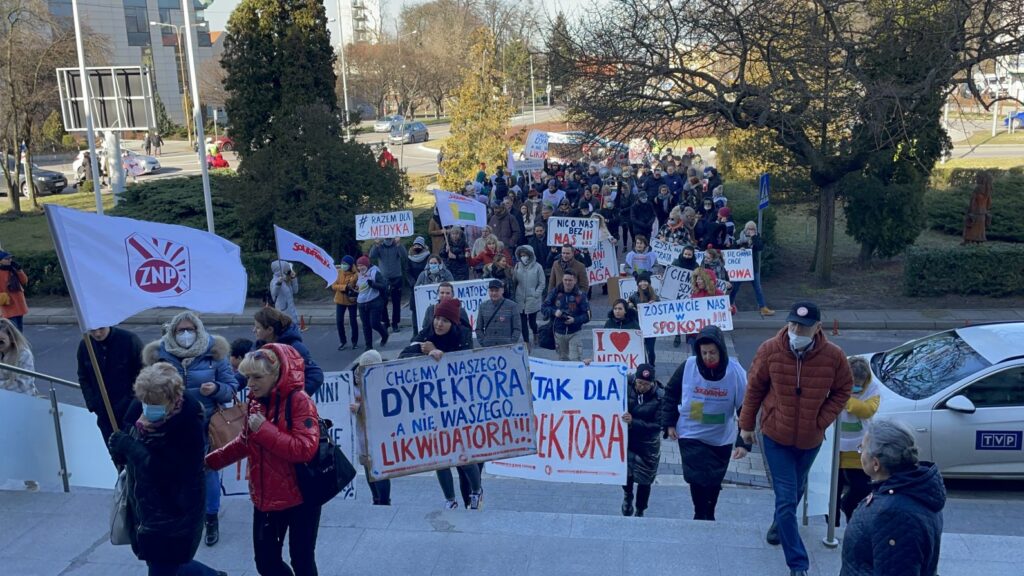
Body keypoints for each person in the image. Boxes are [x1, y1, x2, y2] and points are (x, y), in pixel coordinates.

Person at [739, 301, 853, 576]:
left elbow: (844, 389)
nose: (795, 330)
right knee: (786, 496)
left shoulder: (834, 356)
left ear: (817, 328)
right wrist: (746, 427)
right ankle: (798, 564)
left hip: (810, 439)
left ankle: (780, 523)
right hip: (776, 435)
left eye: (802, 326)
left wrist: (821, 419)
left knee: (796, 488)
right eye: (792, 324)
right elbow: (754, 389)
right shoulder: (769, 350)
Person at [206, 345, 322, 576]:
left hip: (302, 496)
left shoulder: (300, 400)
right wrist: (209, 462)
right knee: (265, 563)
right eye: (247, 376)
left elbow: (304, 449)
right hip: (266, 497)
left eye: (257, 377)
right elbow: (245, 442)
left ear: (277, 374)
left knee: (302, 560)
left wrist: (265, 430)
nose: (250, 384)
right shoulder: (256, 402)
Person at [107, 363, 227, 576]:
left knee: (164, 564)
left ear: (174, 399)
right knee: (166, 564)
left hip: (175, 514)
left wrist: (130, 447)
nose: (148, 408)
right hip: (144, 508)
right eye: (146, 402)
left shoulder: (188, 421)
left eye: (155, 403)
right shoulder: (140, 406)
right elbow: (127, 449)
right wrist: (119, 449)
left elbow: (167, 472)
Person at [143, 310, 237, 547]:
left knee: (208, 470)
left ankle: (211, 517)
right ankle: (183, 514)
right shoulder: (160, 355)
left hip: (206, 424)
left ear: (198, 330)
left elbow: (231, 387)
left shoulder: (215, 353)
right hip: (172, 424)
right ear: (172, 333)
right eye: (180, 330)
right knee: (175, 470)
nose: (186, 335)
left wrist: (215, 388)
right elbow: (149, 391)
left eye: (190, 330)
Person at [400, 299, 483, 509]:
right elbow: (403, 356)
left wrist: (439, 352)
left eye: (444, 320)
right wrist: (425, 350)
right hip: (433, 408)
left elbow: (463, 366)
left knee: (463, 453)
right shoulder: (426, 334)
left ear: (453, 323)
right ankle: (450, 500)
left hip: (458, 407)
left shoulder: (462, 337)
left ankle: (476, 491)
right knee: (439, 456)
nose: (439, 324)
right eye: (437, 318)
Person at [663, 326, 751, 521]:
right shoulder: (688, 366)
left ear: (721, 350)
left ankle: (709, 512)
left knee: (713, 479)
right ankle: (699, 511)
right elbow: (670, 393)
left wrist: (743, 442)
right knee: (696, 477)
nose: (708, 357)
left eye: (712, 352)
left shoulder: (735, 372)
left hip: (720, 436)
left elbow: (746, 408)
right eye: (704, 353)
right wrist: (669, 423)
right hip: (690, 432)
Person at [840, 420, 945, 576]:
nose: (860, 452)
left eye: (861, 448)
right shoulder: (910, 490)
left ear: (876, 464)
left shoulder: (893, 514)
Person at [833, 356, 881, 527]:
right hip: (835, 445)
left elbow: (867, 410)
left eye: (859, 384)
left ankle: (847, 505)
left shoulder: (873, 389)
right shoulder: (835, 382)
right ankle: (833, 522)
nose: (856, 387)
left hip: (859, 445)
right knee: (833, 487)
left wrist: (845, 399)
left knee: (863, 487)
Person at [76, 325, 144, 445]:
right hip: (104, 413)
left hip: (131, 412)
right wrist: (93, 403)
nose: (97, 334)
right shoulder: (85, 346)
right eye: (92, 330)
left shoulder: (129, 341)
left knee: (134, 452)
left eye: (101, 329)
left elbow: (144, 374)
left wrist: (134, 401)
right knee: (114, 454)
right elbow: (83, 377)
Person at [621, 364, 666, 517]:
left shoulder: (660, 396)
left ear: (652, 383)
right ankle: (627, 496)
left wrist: (634, 422)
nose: (642, 387)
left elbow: (657, 425)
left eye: (646, 384)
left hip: (648, 445)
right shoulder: (625, 383)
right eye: (639, 383)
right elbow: (604, 379)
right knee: (626, 473)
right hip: (627, 439)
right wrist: (588, 365)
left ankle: (640, 508)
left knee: (645, 480)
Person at [252, 307, 325, 396]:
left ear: (270, 330)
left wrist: (295, 397)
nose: (254, 331)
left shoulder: (295, 348)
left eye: (258, 328)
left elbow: (315, 376)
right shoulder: (258, 347)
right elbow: (248, 370)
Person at [350, 350, 391, 505]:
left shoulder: (383, 381)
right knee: (368, 467)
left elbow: (383, 407)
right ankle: (376, 498)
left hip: (379, 435)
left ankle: (384, 500)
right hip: (363, 434)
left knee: (380, 469)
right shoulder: (351, 381)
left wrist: (361, 409)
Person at [542, 271, 591, 361]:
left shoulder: (580, 295)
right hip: (559, 332)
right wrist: (554, 312)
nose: (567, 282)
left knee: (574, 359)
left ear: (575, 281)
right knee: (563, 360)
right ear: (562, 280)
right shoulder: (555, 292)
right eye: (565, 280)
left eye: (570, 280)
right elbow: (544, 307)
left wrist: (575, 320)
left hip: (574, 332)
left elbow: (588, 316)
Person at [731, 221, 775, 316]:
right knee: (735, 288)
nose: (750, 231)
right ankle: (729, 305)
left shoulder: (756, 238)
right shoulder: (740, 238)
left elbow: (759, 247)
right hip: (740, 269)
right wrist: (739, 249)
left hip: (753, 267)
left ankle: (763, 307)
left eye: (752, 229)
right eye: (749, 229)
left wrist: (754, 237)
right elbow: (733, 247)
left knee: (758, 288)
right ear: (745, 229)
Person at [418, 282, 473, 350]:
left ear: (452, 295)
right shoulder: (430, 309)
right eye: (442, 293)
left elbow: (467, 331)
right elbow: (425, 328)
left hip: (453, 345)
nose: (444, 295)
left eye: (447, 293)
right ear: (438, 294)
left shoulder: (460, 311)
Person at [370, 238, 407, 333]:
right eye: (387, 238)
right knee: (383, 302)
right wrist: (376, 245)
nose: (388, 239)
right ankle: (385, 322)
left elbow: (404, 256)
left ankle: (395, 323)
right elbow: (372, 255)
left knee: (396, 302)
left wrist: (399, 244)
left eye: (390, 238)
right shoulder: (380, 246)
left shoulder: (396, 245)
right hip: (384, 279)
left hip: (397, 277)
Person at [513, 245, 546, 347]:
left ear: (530, 255)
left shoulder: (538, 267)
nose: (524, 257)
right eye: (521, 255)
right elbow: (514, 281)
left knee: (532, 322)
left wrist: (536, 294)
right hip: (520, 297)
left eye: (525, 255)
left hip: (532, 299)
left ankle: (536, 333)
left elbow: (542, 283)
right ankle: (526, 342)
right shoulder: (517, 266)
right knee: (523, 323)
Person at [355, 255, 389, 350]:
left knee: (374, 323)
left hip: (374, 301)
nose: (360, 268)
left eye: (362, 265)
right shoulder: (359, 274)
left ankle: (384, 334)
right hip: (361, 302)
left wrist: (373, 284)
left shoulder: (375, 272)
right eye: (358, 266)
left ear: (367, 264)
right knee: (365, 325)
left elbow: (383, 286)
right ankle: (368, 346)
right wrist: (353, 291)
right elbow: (359, 288)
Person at [476, 279, 522, 347]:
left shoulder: (512, 306)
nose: (494, 293)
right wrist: (483, 342)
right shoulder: (483, 306)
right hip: (489, 346)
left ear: (502, 291)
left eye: (496, 290)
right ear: (488, 291)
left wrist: (512, 342)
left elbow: (517, 328)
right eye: (491, 291)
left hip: (506, 347)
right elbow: (478, 328)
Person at [627, 271, 659, 365]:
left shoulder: (655, 297)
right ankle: (644, 367)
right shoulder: (633, 296)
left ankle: (652, 365)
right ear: (638, 283)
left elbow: (661, 310)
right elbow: (628, 311)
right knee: (640, 349)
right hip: (638, 326)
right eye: (640, 281)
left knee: (650, 350)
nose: (643, 283)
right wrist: (629, 305)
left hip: (651, 327)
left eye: (645, 281)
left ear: (648, 282)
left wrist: (655, 304)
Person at [0, 317, 35, 395]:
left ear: (12, 338)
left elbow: (22, 384)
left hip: (22, 398)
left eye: (1, 341)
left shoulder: (23, 354)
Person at [331, 255, 360, 350]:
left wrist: (352, 287)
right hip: (340, 300)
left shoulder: (356, 274)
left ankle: (354, 341)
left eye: (345, 264)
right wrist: (344, 287)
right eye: (342, 263)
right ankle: (342, 341)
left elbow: (356, 286)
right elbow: (334, 286)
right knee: (339, 321)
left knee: (353, 321)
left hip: (351, 301)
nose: (343, 265)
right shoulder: (338, 272)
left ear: (351, 265)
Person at [406, 237, 432, 333]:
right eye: (415, 245)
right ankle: (415, 332)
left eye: (419, 245)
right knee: (415, 311)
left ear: (423, 246)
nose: (417, 247)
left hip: (425, 287)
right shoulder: (409, 257)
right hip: (414, 288)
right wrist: (413, 283)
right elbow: (407, 272)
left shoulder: (428, 256)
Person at [0, 251, 29, 330]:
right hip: (8, 305)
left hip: (19, 304)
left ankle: (19, 342)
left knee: (19, 330)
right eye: (6, 259)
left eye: (10, 258)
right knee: (14, 331)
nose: (10, 260)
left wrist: (19, 270)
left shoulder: (13, 269)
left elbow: (24, 281)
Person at [963, 170, 993, 243]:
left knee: (970, 231)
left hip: (975, 213)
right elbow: (989, 203)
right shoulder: (988, 189)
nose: (976, 179)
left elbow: (973, 201)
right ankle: (979, 246)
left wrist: (970, 212)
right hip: (983, 214)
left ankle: (968, 245)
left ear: (982, 178)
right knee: (980, 233)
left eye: (977, 177)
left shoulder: (978, 188)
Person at [269, 259, 299, 323]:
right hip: (283, 313)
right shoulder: (274, 281)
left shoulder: (286, 281)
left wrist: (294, 279)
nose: (288, 271)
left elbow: (295, 291)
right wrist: (278, 284)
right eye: (286, 269)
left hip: (292, 313)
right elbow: (274, 295)